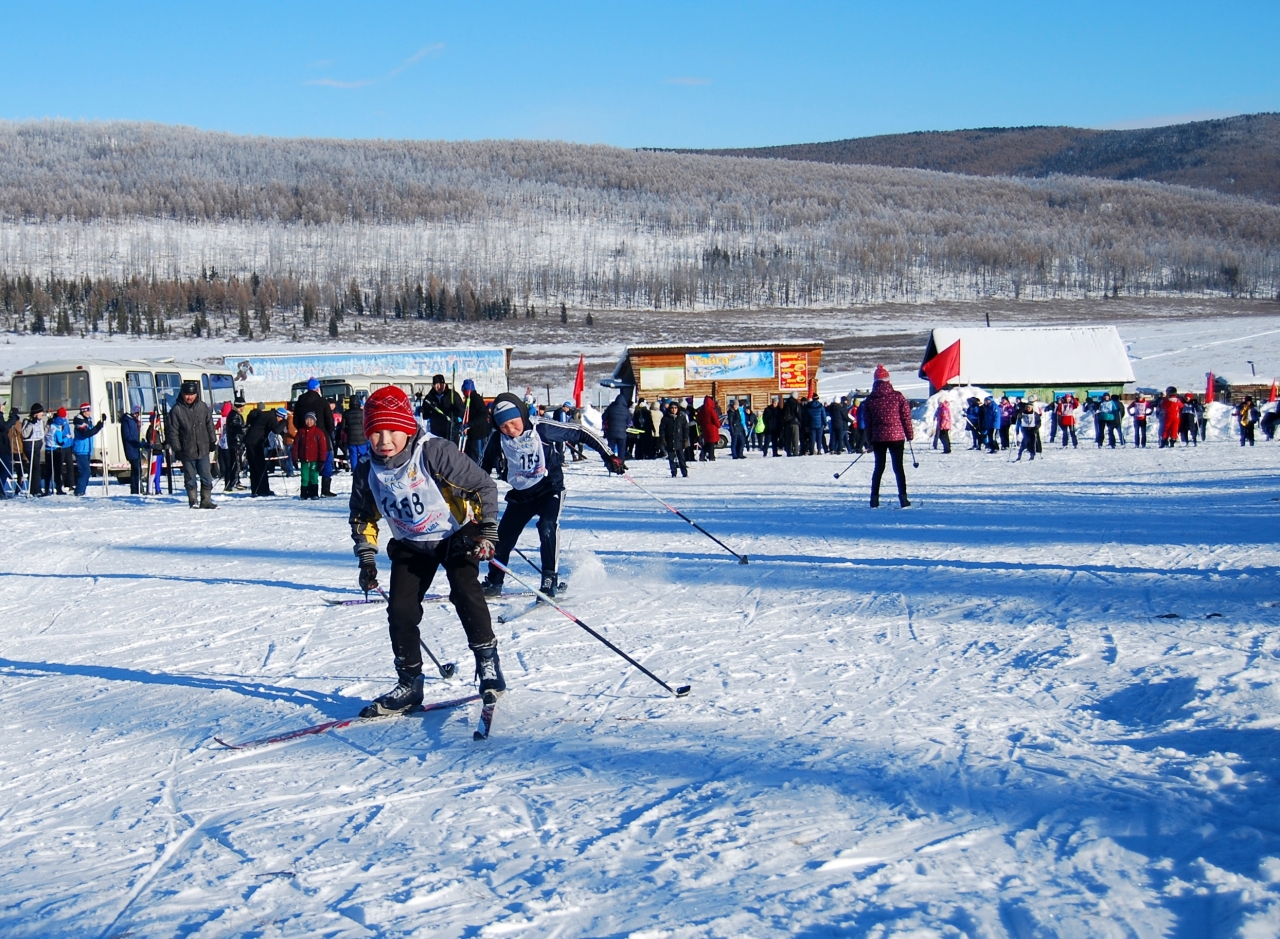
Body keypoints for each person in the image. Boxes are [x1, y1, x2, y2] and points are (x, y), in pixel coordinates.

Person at [348, 385, 505, 716]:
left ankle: (488, 664)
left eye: (393, 430)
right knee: (401, 612)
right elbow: (363, 517)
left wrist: (487, 530)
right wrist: (367, 557)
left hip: (455, 535)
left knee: (466, 593)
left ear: (407, 427)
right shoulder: (367, 472)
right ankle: (409, 682)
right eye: (376, 432)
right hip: (410, 545)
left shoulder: (433, 452)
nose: (384, 440)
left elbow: (482, 486)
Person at [480, 393, 624, 599]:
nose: (510, 430)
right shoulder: (497, 439)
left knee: (547, 527)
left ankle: (549, 579)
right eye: (504, 426)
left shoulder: (542, 428)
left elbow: (580, 432)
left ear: (521, 415)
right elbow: (480, 469)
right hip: (521, 493)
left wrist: (608, 454)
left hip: (549, 489)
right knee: (502, 538)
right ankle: (494, 582)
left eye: (513, 423)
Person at [862, 366, 913, 508]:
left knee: (879, 467)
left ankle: (874, 498)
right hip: (896, 437)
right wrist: (909, 434)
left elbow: (868, 422)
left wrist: (870, 439)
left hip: (878, 438)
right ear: (888, 380)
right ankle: (903, 498)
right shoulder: (897, 396)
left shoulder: (870, 400)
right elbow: (906, 417)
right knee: (898, 468)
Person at [166, 380, 219, 509]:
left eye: (192, 394)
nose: (189, 397)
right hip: (187, 450)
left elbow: (209, 425)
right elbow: (172, 432)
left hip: (203, 448)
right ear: (182, 394)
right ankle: (193, 500)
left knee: (206, 476)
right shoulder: (176, 410)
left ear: (196, 394)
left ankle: (206, 501)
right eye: (186, 394)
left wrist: (212, 441)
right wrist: (177, 449)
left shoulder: (202, 407)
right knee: (190, 478)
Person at [292, 378, 337, 497]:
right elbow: (329, 421)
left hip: (305, 437)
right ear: (317, 388)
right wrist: (327, 432)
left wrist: (303, 430)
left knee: (306, 466)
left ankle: (306, 491)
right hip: (322, 435)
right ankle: (325, 489)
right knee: (326, 461)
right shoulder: (322, 401)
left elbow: (295, 421)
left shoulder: (300, 401)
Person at [290, 411, 330, 499]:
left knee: (314, 477)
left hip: (315, 460)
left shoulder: (318, 432)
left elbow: (323, 448)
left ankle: (314, 493)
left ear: (314, 421)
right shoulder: (301, 432)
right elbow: (295, 446)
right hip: (304, 459)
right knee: (304, 477)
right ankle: (304, 493)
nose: (309, 421)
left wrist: (322, 461)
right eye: (307, 419)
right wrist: (294, 458)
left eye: (311, 420)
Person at [71, 403, 106, 496]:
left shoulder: (88, 420)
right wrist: (98, 426)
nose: (89, 412)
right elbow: (87, 433)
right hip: (81, 450)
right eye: (88, 410)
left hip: (87, 449)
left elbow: (92, 430)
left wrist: (101, 422)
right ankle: (79, 491)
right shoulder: (79, 421)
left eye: (90, 410)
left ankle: (82, 491)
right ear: (83, 411)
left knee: (87, 472)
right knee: (85, 472)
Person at [419, 373, 463, 443]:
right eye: (436, 384)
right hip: (436, 431)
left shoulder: (452, 395)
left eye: (440, 384)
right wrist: (423, 411)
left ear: (444, 384)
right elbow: (425, 415)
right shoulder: (429, 397)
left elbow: (461, 411)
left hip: (450, 429)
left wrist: (455, 410)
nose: (438, 386)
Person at [459, 380, 491, 464]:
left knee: (476, 457)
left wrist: (469, 424)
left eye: (464, 390)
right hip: (471, 434)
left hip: (478, 434)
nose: (463, 392)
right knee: (469, 456)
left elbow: (483, 416)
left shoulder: (476, 399)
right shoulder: (468, 400)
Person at [660, 399, 691, 478]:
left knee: (681, 458)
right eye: (672, 408)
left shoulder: (681, 417)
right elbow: (662, 429)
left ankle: (684, 472)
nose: (674, 410)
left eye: (675, 408)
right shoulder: (666, 418)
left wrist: (685, 438)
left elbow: (686, 428)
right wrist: (663, 438)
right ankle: (673, 472)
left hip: (679, 440)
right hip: (669, 440)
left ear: (678, 408)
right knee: (671, 458)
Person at [21, 404, 46, 496]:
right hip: (30, 445)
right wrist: (31, 423)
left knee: (36, 467)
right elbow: (24, 434)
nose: (42, 414)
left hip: (37, 444)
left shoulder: (40, 421)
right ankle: (36, 489)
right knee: (35, 467)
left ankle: (35, 488)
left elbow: (42, 432)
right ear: (36, 413)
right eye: (41, 412)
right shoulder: (27, 420)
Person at [46, 407, 72, 495]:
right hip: (56, 449)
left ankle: (47, 488)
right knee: (58, 470)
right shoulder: (58, 429)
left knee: (49, 470)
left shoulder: (51, 425)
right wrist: (67, 438)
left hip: (48, 449)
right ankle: (58, 488)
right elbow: (60, 442)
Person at [120, 405, 144, 494]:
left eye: (138, 413)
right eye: (136, 413)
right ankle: (135, 489)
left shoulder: (134, 421)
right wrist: (135, 443)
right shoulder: (127, 421)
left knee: (137, 469)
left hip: (136, 449)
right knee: (136, 469)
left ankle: (137, 488)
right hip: (131, 448)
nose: (137, 415)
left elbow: (137, 435)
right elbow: (127, 436)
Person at [602, 390, 632, 457]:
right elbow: (630, 423)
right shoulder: (626, 410)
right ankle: (620, 463)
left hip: (611, 433)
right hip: (622, 434)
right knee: (621, 450)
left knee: (610, 449)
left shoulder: (611, 408)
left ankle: (611, 462)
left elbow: (603, 417)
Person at [344, 394, 369, 467]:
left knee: (353, 455)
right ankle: (364, 468)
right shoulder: (363, 412)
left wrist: (348, 432)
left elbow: (343, 427)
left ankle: (354, 470)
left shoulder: (346, 413)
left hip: (351, 438)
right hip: (362, 438)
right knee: (363, 454)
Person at [697, 395, 722, 461]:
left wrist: (702, 425)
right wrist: (719, 425)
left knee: (707, 443)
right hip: (712, 428)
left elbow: (699, 419)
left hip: (705, 428)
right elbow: (715, 419)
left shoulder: (702, 409)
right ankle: (711, 456)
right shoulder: (711, 410)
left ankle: (702, 456)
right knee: (711, 443)